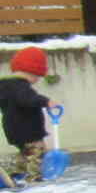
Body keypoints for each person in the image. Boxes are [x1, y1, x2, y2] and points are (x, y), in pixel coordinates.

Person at [1, 46, 56, 185]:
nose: (38, 79)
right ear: (32, 73)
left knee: (25, 155)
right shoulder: (21, 87)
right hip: (28, 131)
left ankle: (13, 173)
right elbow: (28, 99)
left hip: (13, 130)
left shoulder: (5, 86)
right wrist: (46, 101)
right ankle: (34, 178)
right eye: (38, 76)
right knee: (37, 153)